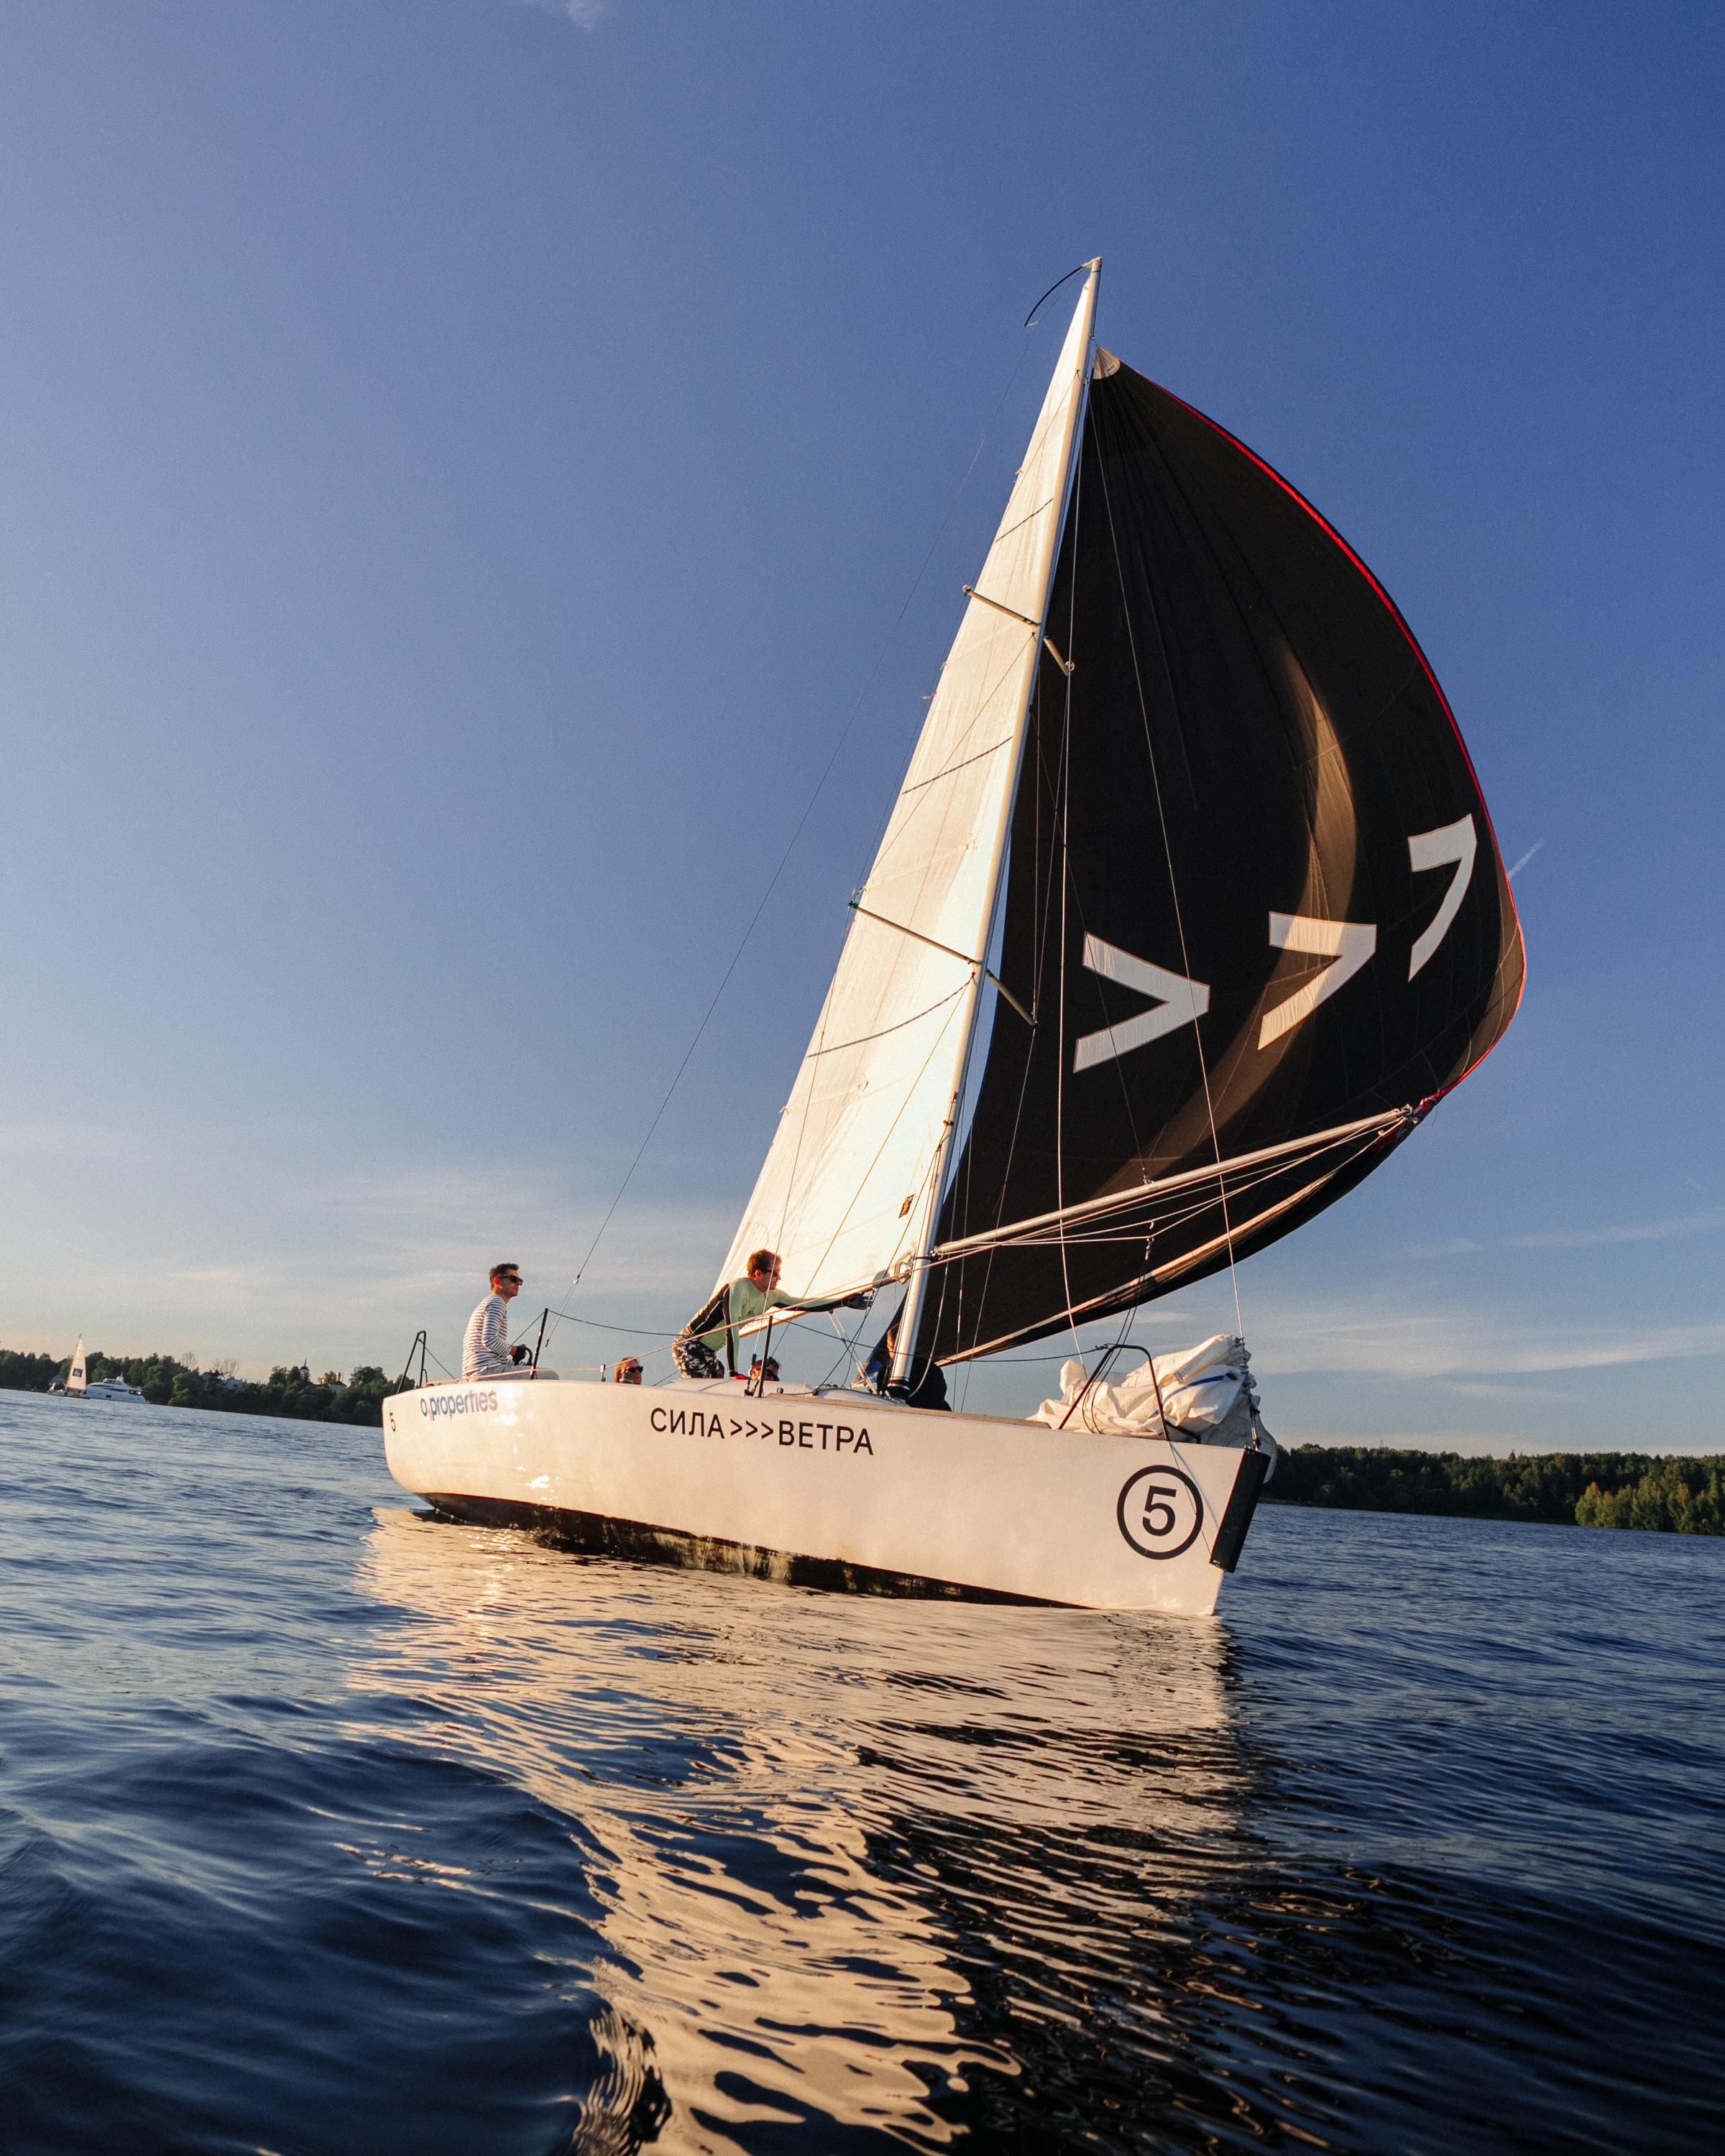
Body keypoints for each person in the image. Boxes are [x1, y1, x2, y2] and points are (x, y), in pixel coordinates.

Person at [673, 1249, 870, 1379]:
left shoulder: (773, 1296)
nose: (779, 1277)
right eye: (774, 1273)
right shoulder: (737, 1290)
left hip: (709, 1352)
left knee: (718, 1380)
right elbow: (731, 1330)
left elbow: (807, 1304)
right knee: (711, 1389)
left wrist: (844, 1301)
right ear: (758, 1274)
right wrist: (734, 1372)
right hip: (689, 1345)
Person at [462, 1263, 543, 1381]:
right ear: (497, 1282)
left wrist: (517, 1363)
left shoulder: (488, 1302)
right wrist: (514, 1351)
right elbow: (489, 1340)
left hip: (475, 1371)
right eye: (513, 1279)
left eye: (520, 1281)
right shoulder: (497, 1303)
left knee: (530, 1370)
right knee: (550, 1376)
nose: (518, 1284)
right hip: (488, 1371)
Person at [862, 1318, 949, 1411]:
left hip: (923, 1416)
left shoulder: (929, 1370)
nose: (890, 1349)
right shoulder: (885, 1372)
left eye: (891, 1345)